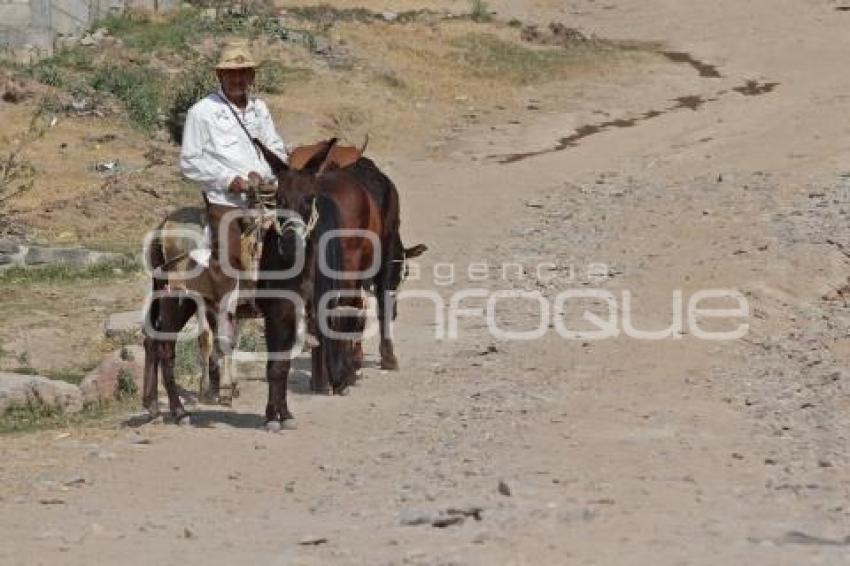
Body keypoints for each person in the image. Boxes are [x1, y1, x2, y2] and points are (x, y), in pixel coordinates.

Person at [179, 42, 288, 276]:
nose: (238, 79)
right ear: (220, 75)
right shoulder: (202, 112)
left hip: (266, 197)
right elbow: (189, 161)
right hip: (226, 201)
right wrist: (229, 180)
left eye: (244, 73)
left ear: (252, 76)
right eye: (232, 73)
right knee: (228, 263)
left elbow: (276, 148)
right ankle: (219, 308)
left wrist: (265, 174)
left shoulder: (260, 108)